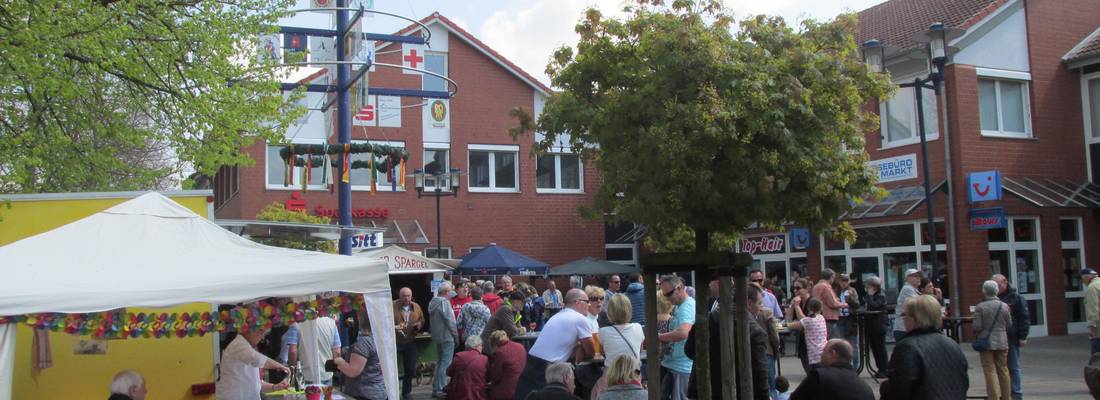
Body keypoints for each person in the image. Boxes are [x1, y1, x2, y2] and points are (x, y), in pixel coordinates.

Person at [684, 282, 770, 400]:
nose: (761, 308)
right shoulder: (756, 332)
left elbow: (689, 351)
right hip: (738, 392)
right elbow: (760, 373)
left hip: (703, 389)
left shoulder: (707, 320)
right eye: (760, 303)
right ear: (749, 303)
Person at [880, 295, 968, 400]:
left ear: (915, 319)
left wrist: (885, 388)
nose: (903, 320)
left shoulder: (907, 347)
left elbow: (899, 389)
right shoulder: (952, 344)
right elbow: (963, 382)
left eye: (904, 315)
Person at [515, 289, 596, 400]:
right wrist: (579, 347)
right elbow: (591, 352)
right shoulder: (580, 319)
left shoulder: (558, 315)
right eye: (587, 301)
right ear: (578, 302)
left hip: (533, 360)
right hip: (547, 368)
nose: (589, 304)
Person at [216, 324, 291, 399]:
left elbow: (256, 382)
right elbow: (258, 360)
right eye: (261, 332)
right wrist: (280, 366)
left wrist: (274, 387)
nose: (262, 337)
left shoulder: (248, 347)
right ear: (250, 330)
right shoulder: (239, 345)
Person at [789, 339, 874, 400]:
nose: (821, 355)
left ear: (833, 353)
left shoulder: (819, 376)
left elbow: (795, 398)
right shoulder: (865, 387)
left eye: (823, 351)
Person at [334, 308, 386, 400]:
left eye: (355, 318)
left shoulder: (364, 342)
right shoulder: (381, 339)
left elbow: (353, 371)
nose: (352, 321)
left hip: (364, 394)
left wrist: (339, 361)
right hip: (378, 391)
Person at [973, 280, 1012, 400]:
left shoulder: (980, 307)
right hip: (1002, 340)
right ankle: (1007, 397)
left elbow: (977, 326)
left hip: (986, 341)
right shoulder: (1004, 306)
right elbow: (1009, 324)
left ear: (984, 291)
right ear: (996, 291)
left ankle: (993, 397)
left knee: (989, 370)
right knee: (1003, 369)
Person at [992, 274, 1029, 400]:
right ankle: (1006, 393)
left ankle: (1017, 394)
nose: (996, 287)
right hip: (998, 338)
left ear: (1005, 282)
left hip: (1011, 338)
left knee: (1013, 367)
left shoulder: (1016, 298)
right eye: (994, 285)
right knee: (1002, 368)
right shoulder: (993, 298)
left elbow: (1024, 318)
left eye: (998, 285)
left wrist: (1022, 336)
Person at [658, 275, 695, 400]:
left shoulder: (687, 307)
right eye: (664, 295)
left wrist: (659, 337)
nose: (667, 298)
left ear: (679, 288)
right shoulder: (681, 306)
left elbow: (683, 332)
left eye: (668, 294)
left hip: (681, 367)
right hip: (674, 365)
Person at [287, 315, 342, 386]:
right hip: (327, 375)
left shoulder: (295, 323)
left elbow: (293, 351)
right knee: (326, 396)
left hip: (304, 374)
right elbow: (337, 351)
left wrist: (292, 370)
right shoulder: (331, 322)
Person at [393, 287, 425, 400]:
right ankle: (392, 392)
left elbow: (422, 319)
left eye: (408, 296)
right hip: (395, 341)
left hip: (410, 341)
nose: (406, 298)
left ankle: (406, 392)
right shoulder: (392, 306)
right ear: (399, 296)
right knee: (393, 369)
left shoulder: (416, 306)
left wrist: (419, 325)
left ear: (411, 296)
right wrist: (395, 327)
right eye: (404, 296)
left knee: (410, 368)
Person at [431, 282, 460, 398]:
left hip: (438, 337)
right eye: (450, 291)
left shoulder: (433, 302)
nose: (451, 294)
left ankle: (436, 387)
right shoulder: (444, 303)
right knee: (445, 364)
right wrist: (456, 336)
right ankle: (441, 389)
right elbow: (450, 321)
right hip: (447, 336)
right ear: (446, 292)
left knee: (440, 362)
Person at [599, 294, 644, 367]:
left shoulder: (602, 331)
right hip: (633, 374)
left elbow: (603, 353)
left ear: (610, 312)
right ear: (629, 310)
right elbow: (640, 350)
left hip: (612, 374)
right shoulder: (638, 327)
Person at [787, 297, 827, 369]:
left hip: (814, 356)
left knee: (815, 377)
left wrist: (795, 306)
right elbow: (805, 319)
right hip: (824, 353)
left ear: (808, 308)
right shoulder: (821, 318)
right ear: (821, 308)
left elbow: (790, 326)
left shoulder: (807, 321)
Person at [862, 276, 890, 377]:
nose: (866, 287)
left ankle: (885, 369)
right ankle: (880, 368)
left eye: (868, 286)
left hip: (879, 325)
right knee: (874, 347)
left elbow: (874, 305)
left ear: (873, 286)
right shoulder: (870, 295)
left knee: (880, 347)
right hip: (871, 325)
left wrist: (869, 296)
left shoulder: (881, 295)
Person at [488, 330, 528, 400]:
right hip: (522, 387)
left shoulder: (500, 352)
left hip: (507, 392)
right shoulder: (520, 346)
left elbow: (495, 376)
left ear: (494, 344)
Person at [447, 336, 489, 400]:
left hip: (459, 393)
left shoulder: (459, 356)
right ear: (478, 346)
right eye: (481, 345)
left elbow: (449, 372)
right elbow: (489, 376)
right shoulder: (484, 359)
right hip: (477, 394)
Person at [811, 268, 847, 339]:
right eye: (833, 277)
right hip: (829, 317)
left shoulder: (816, 286)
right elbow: (832, 304)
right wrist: (845, 304)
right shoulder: (826, 287)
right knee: (833, 341)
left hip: (819, 316)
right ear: (831, 277)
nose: (833, 280)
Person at [834, 273, 860, 370]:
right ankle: (846, 365)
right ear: (839, 281)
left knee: (853, 344)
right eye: (842, 280)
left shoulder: (852, 291)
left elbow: (857, 304)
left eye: (846, 280)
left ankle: (856, 366)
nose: (844, 283)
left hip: (851, 319)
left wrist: (850, 299)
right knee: (843, 343)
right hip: (840, 319)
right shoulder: (836, 291)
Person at [790, 277, 813, 373]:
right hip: (802, 341)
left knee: (812, 371)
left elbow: (805, 321)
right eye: (794, 288)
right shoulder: (798, 303)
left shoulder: (812, 302)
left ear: (807, 288)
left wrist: (796, 306)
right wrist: (792, 306)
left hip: (812, 343)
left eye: (798, 288)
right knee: (807, 370)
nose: (795, 291)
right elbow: (789, 320)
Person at [893, 269, 923, 342]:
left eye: (919, 276)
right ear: (907, 278)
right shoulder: (907, 289)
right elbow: (918, 305)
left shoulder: (914, 290)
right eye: (915, 276)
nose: (918, 278)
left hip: (908, 328)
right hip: (903, 329)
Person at [1085, 268, 1100, 355]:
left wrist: (1091, 326)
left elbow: (1093, 309)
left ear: (1086, 277)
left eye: (1082, 279)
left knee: (1096, 357)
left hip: (1098, 329)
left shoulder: (1092, 288)